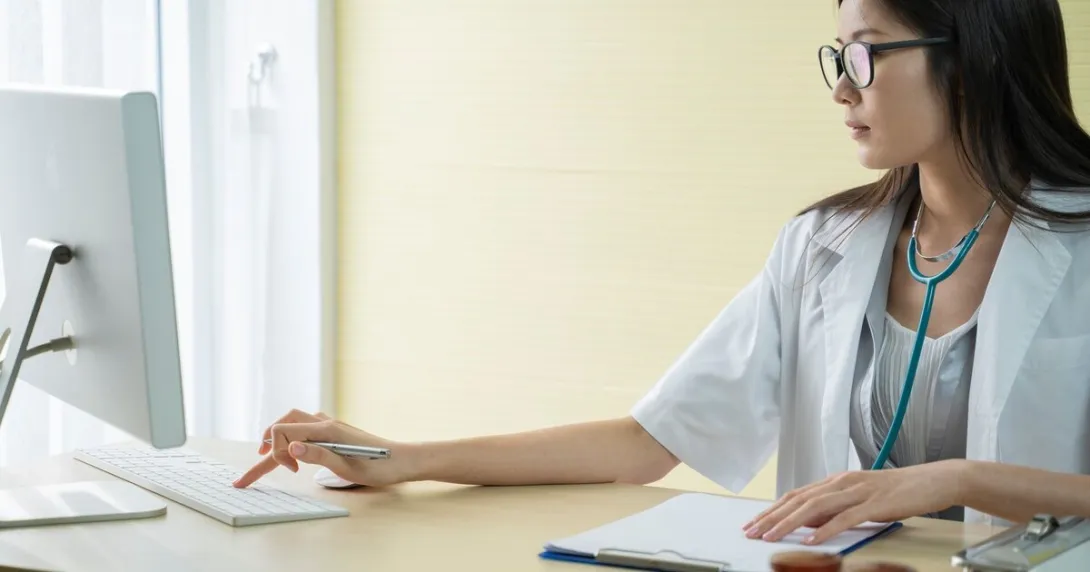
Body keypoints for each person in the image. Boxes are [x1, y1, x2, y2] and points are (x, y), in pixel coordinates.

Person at [234, 0, 1090, 546]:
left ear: (973, 52)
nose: (841, 89)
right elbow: (652, 440)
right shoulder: (824, 243)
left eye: (865, 54)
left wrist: (959, 480)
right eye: (836, 59)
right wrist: (408, 457)